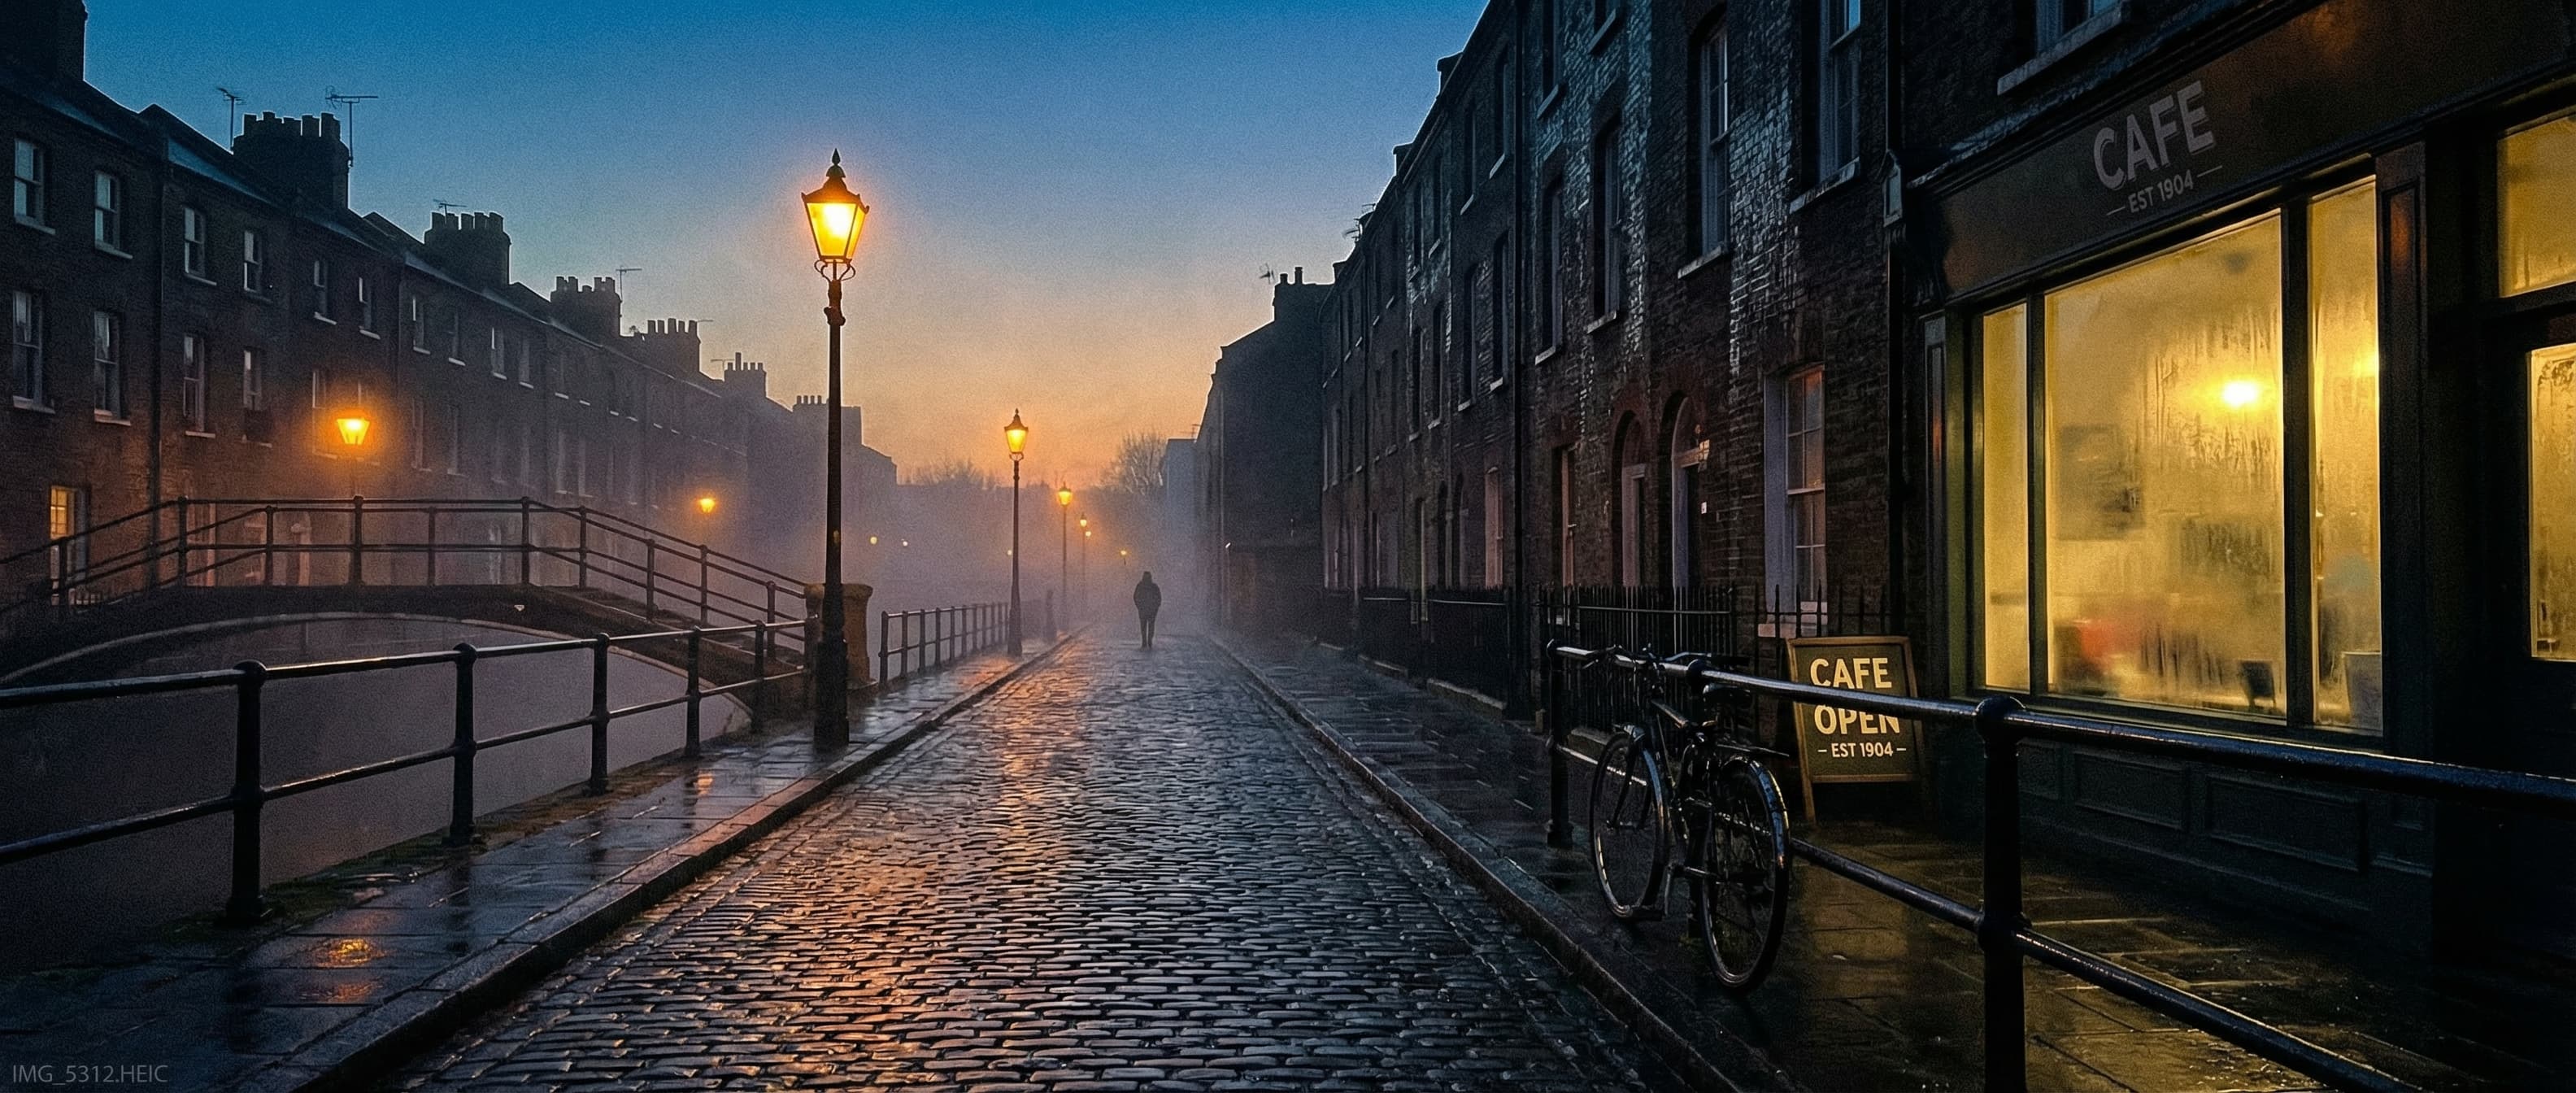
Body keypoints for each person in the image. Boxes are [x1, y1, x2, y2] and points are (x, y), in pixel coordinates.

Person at [1133, 571, 1162, 650]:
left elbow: (1135, 597)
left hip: (1146, 610)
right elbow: (1159, 598)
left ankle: (1146, 642)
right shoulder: (1153, 587)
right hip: (1148, 610)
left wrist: (1139, 606)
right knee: (1149, 627)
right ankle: (1148, 642)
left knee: (1144, 627)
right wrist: (1155, 607)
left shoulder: (1141, 586)